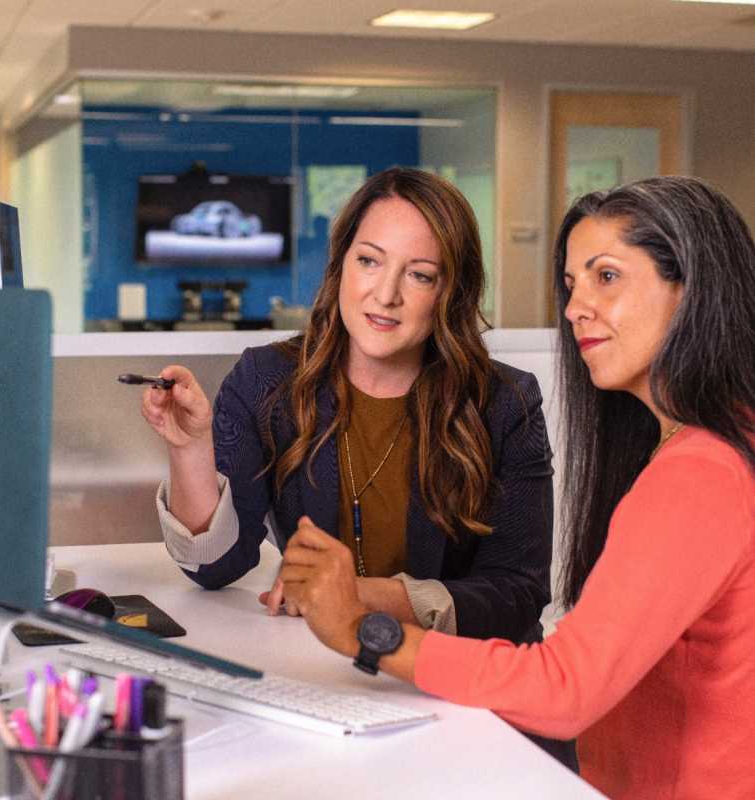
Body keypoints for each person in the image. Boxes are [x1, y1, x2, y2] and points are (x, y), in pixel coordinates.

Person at [278, 175, 755, 799]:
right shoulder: (716, 444)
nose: (577, 306)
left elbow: (564, 691)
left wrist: (363, 632)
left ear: (693, 289)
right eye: (571, 284)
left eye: (606, 277)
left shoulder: (701, 473)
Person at [142, 168, 574, 765]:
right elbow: (217, 566)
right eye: (370, 261)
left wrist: (358, 599)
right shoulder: (267, 382)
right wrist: (190, 447)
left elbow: (518, 595)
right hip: (332, 689)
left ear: (452, 291)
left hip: (468, 699)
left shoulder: (505, 402)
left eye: (419, 275)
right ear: (341, 264)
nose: (385, 294)